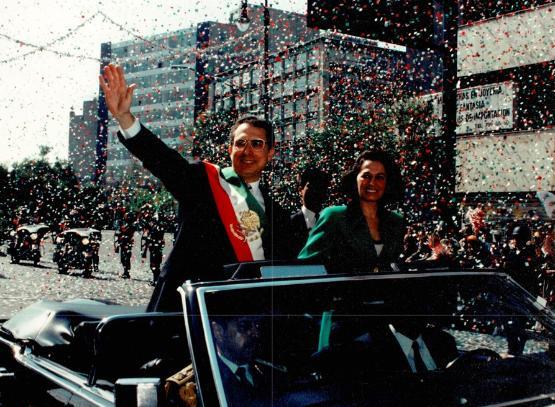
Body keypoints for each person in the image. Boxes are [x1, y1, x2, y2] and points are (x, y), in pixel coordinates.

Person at [99, 64, 293, 311]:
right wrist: (124, 117)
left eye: (257, 144)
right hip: (187, 313)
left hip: (241, 319)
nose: (247, 151)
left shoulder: (279, 215)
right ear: (229, 149)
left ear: (270, 152)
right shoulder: (203, 182)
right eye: (240, 143)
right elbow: (164, 161)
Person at [298, 150, 405, 273]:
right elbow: (304, 269)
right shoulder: (334, 216)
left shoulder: (396, 221)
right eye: (366, 176)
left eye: (380, 177)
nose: (372, 183)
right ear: (355, 179)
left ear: (388, 182)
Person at [210, 315, 287, 406]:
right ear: (218, 332)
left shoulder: (273, 372)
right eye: (244, 326)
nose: (256, 333)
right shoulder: (205, 383)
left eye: (257, 325)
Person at [290, 168, 330, 254]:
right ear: (300, 190)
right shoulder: (287, 224)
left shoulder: (332, 224)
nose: (316, 191)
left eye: (321, 187)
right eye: (311, 186)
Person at [114, 212, 135, 279]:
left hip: (127, 243)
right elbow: (118, 233)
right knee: (123, 258)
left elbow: (129, 234)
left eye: (126, 216)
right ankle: (125, 271)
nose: (125, 217)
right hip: (122, 243)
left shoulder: (131, 225)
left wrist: (123, 235)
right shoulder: (124, 224)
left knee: (127, 258)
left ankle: (127, 272)